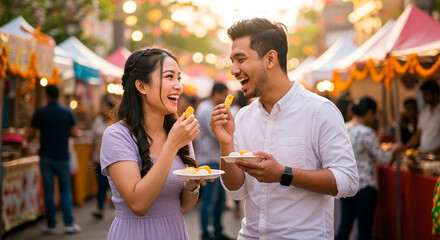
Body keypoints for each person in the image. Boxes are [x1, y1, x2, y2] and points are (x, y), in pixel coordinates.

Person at [209, 18, 359, 239]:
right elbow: (237, 191)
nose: (233, 70)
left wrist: (284, 174)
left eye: (241, 60)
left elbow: (348, 181)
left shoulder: (320, 111)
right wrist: (225, 142)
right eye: (232, 61)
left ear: (270, 59)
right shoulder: (242, 117)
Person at [100, 47, 206, 240]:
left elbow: (185, 206)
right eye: (169, 77)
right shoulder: (117, 136)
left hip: (175, 232)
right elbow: (138, 205)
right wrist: (171, 146)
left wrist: (192, 186)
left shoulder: (177, 133)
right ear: (142, 86)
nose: (178, 86)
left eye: (179, 78)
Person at [337, 97, 400, 240]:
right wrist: (394, 150)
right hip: (365, 186)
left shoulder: (343, 128)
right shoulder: (366, 132)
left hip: (347, 184)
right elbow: (384, 159)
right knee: (364, 228)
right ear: (370, 112)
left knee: (345, 225)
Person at [27, 84, 82, 234]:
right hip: (62, 156)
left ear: (47, 95)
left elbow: (30, 135)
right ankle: (69, 223)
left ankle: (51, 224)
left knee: (49, 191)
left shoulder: (40, 112)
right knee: (65, 190)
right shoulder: (67, 112)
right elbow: (75, 133)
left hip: (46, 156)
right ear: (58, 95)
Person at [194, 82, 232, 240]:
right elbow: (217, 134)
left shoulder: (210, 108)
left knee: (219, 200)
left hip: (217, 159)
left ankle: (217, 231)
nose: (225, 99)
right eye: (224, 95)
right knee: (209, 200)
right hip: (208, 160)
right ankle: (206, 234)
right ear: (217, 93)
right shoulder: (205, 109)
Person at [90, 95, 115, 220]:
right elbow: (93, 140)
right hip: (99, 157)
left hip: (114, 158)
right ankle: (100, 209)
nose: (103, 109)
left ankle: (116, 202)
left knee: (113, 183)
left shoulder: (116, 122)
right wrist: (91, 157)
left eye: (105, 106)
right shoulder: (97, 121)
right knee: (101, 184)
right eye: (102, 106)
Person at [403, 80, 440, 153]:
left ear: (435, 94)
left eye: (426, 94)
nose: (424, 97)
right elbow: (418, 135)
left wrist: (433, 152)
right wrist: (404, 148)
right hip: (423, 153)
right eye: (423, 95)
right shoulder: (424, 112)